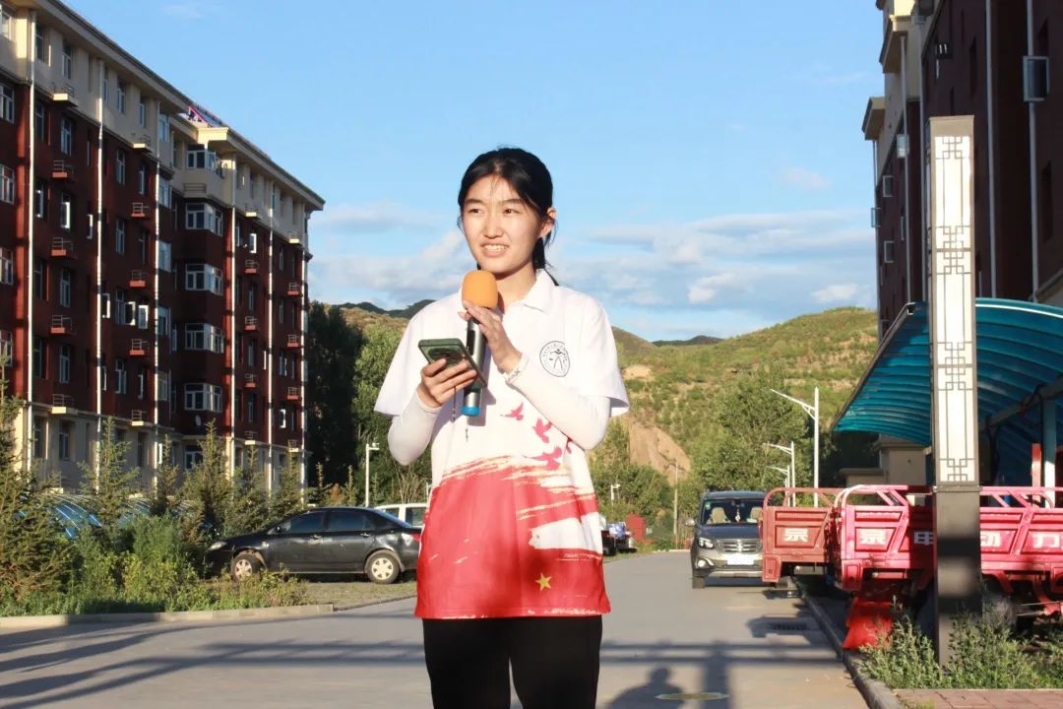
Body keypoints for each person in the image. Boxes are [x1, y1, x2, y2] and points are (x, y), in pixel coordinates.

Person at [374, 146, 629, 709]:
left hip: (555, 559)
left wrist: (511, 358)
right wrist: (425, 398)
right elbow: (402, 449)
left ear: (546, 222)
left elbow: (590, 429)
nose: (491, 228)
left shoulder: (578, 314)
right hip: (460, 565)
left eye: (511, 210)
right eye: (475, 210)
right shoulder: (432, 320)